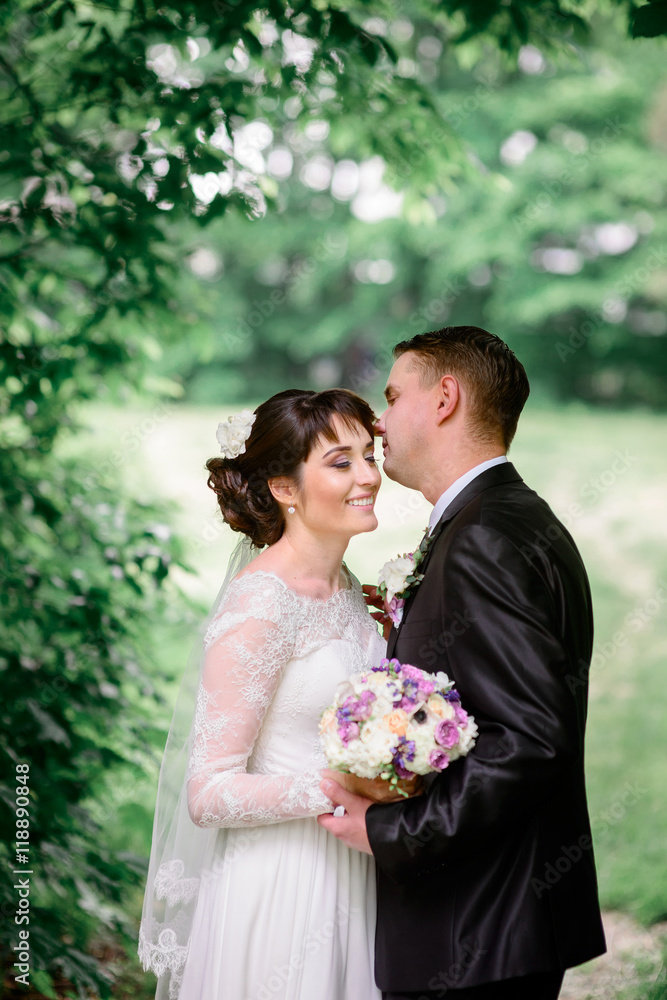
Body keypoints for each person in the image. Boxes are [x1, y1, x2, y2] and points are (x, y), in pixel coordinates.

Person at [319, 327, 606, 999]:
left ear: (445, 397)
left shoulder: (482, 536)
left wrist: (391, 830)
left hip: (476, 929)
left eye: (391, 397)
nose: (378, 420)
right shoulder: (508, 516)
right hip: (503, 925)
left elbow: (529, 740)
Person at [138, 387, 403, 1000]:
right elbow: (209, 792)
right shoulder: (261, 605)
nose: (368, 475)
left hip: (354, 871)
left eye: (370, 454)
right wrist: (346, 787)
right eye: (341, 462)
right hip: (284, 884)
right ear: (284, 489)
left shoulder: (346, 588)